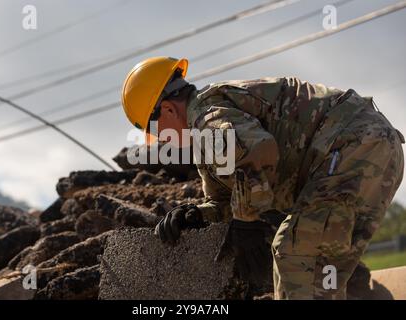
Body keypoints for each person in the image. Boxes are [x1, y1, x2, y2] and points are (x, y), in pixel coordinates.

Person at [120, 57, 404, 299]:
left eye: (156, 130)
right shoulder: (207, 135)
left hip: (355, 148)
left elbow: (258, 151)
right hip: (363, 152)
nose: (160, 140)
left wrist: (246, 221)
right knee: (321, 269)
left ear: (168, 109)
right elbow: (227, 199)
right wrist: (196, 215)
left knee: (296, 253)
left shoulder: (208, 118)